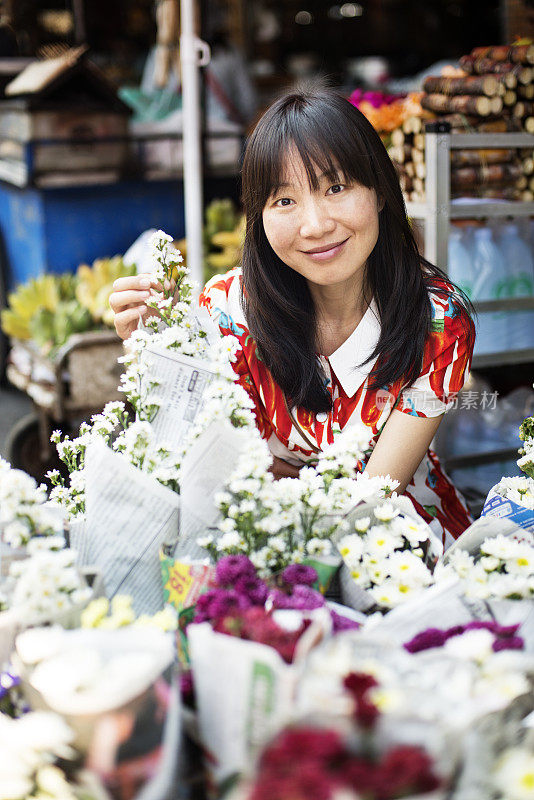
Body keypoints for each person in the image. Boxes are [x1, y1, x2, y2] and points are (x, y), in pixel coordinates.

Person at [110, 86, 475, 548]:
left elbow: (375, 495)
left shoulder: (438, 320)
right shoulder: (225, 310)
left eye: (336, 187)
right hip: (257, 537)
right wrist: (146, 353)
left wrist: (274, 472)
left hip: (398, 539)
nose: (315, 225)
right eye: (284, 201)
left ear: (381, 191)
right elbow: (193, 457)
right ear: (257, 217)